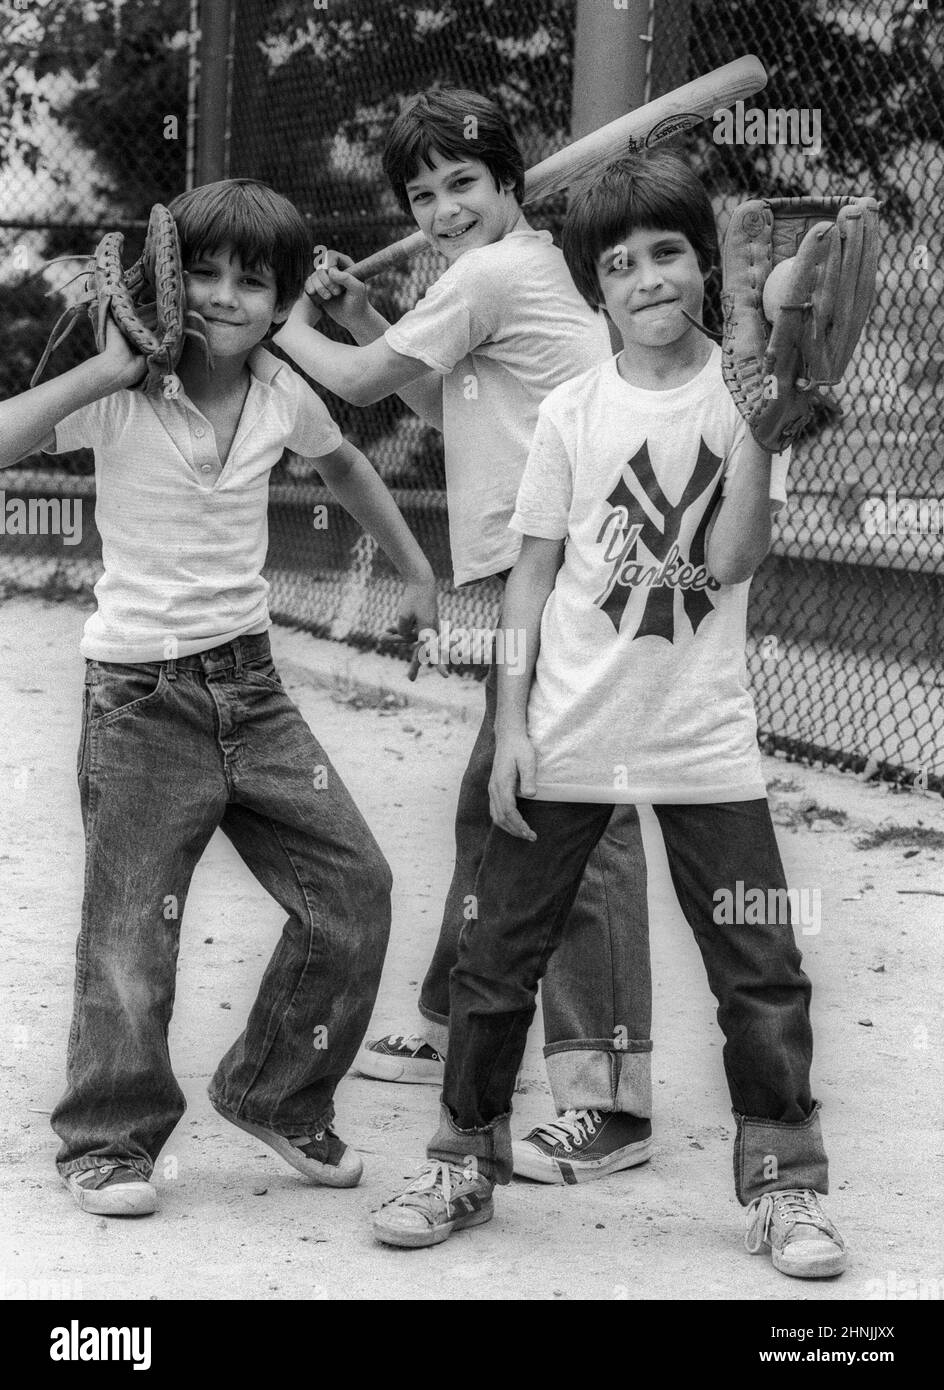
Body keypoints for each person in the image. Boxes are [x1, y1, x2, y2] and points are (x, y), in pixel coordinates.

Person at [371, 151, 847, 1281]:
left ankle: (785, 1187)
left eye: (666, 253)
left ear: (699, 265)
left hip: (702, 743)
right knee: (497, 960)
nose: (644, 279)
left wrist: (758, 437)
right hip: (569, 733)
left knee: (760, 967)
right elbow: (526, 582)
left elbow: (730, 558)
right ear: (593, 286)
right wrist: (514, 724)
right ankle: (460, 1158)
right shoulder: (573, 410)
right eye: (618, 264)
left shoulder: (739, 397)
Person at [0, 178, 438, 1217]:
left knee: (355, 888)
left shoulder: (284, 390)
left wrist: (415, 572)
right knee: (129, 934)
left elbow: (346, 473)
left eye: (253, 280)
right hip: (140, 701)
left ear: (283, 300)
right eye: (202, 271)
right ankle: (108, 1139)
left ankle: (275, 1091)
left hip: (251, 689)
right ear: (163, 276)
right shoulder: (118, 394)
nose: (224, 296)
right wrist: (100, 368)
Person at [275, 88, 655, 1183]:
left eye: (462, 185)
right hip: (517, 570)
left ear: (508, 182)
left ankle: (610, 1096)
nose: (440, 210)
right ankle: (449, 1013)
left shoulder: (492, 274)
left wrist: (283, 321)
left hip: (569, 574)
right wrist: (352, 316)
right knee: (490, 797)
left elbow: (353, 386)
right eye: (421, 193)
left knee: (573, 824)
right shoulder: (506, 274)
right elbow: (447, 406)